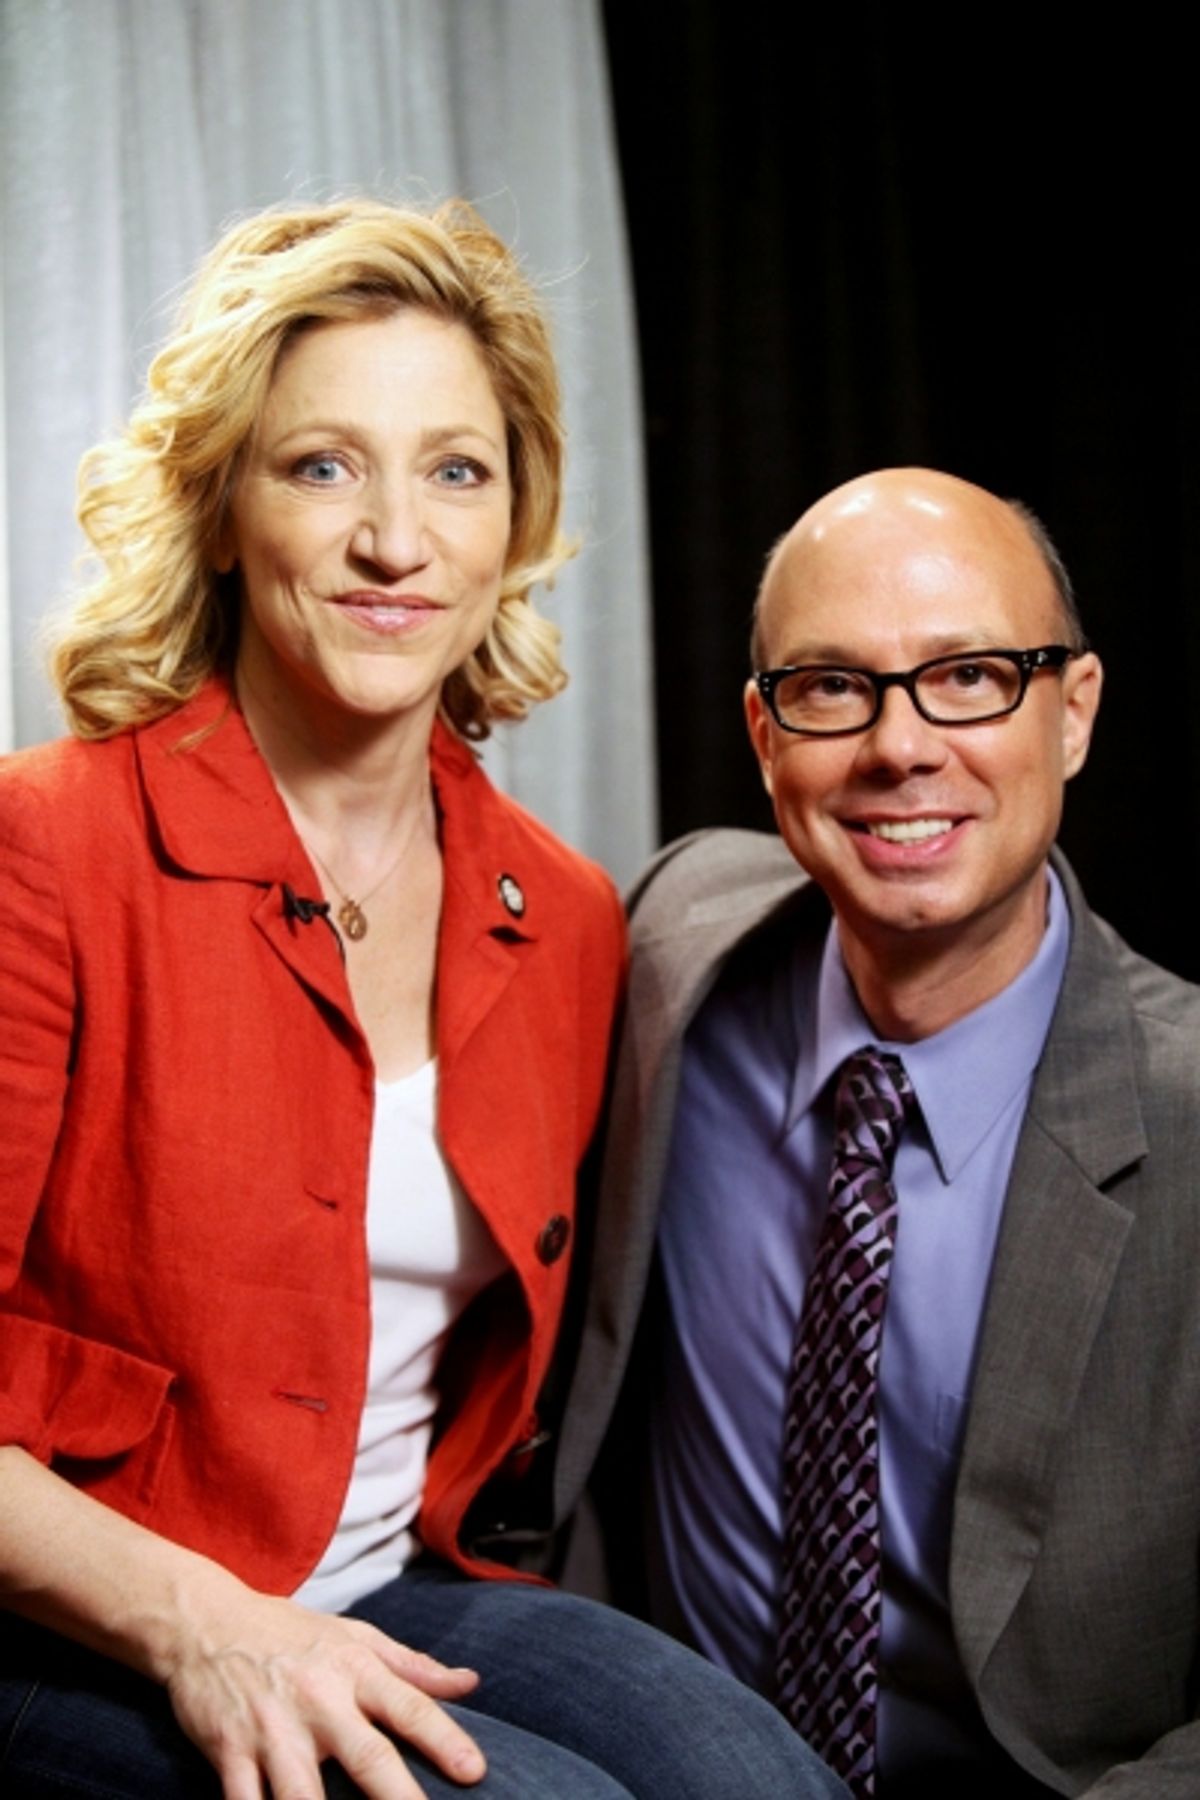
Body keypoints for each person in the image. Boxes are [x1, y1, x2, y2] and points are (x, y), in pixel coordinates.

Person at [0, 198, 844, 1800]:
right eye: (324, 466)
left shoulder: (568, 912)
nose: (397, 540)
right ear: (226, 507)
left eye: (455, 470)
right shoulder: (43, 846)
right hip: (81, 1622)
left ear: (516, 516)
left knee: (765, 1785)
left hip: (391, 1575)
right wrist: (200, 1624)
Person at [540, 468, 1200, 1798]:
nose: (901, 745)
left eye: (969, 676)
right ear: (765, 733)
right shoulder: (679, 940)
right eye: (833, 687)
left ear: (1072, 713)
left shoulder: (1187, 1119)